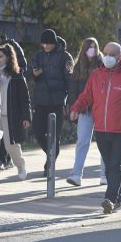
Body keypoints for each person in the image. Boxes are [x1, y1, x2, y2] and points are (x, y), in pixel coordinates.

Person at [70, 43, 121, 213]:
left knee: (114, 165)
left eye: (111, 54)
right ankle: (118, 197)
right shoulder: (96, 75)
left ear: (119, 56)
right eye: (105, 53)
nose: (107, 57)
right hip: (101, 129)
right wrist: (76, 108)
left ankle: (109, 199)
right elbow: (86, 96)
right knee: (108, 165)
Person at [30, 29, 73, 175]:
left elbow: (70, 80)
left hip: (57, 102)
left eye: (49, 43)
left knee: (55, 135)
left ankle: (49, 164)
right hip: (40, 101)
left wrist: (70, 101)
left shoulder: (66, 57)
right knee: (38, 131)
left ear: (54, 42)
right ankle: (52, 153)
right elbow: (32, 73)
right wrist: (34, 75)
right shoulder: (38, 56)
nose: (46, 46)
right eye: (44, 43)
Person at [66, 38, 105, 187]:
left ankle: (105, 175)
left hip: (101, 108)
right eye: (89, 48)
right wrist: (73, 108)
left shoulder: (102, 64)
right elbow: (73, 90)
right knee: (82, 142)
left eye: (94, 48)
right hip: (84, 109)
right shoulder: (78, 67)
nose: (92, 51)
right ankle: (76, 174)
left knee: (104, 143)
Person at [0, 45, 26, 182]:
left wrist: (26, 117)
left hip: (9, 116)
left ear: (8, 58)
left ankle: (21, 166)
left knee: (11, 145)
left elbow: (24, 98)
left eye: (1, 56)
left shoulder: (16, 74)